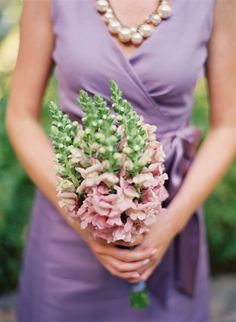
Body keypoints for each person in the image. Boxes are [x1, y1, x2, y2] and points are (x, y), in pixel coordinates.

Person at [6, 0, 236, 321]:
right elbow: (20, 117)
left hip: (168, 222)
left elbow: (228, 125)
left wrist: (170, 223)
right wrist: (85, 219)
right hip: (70, 227)